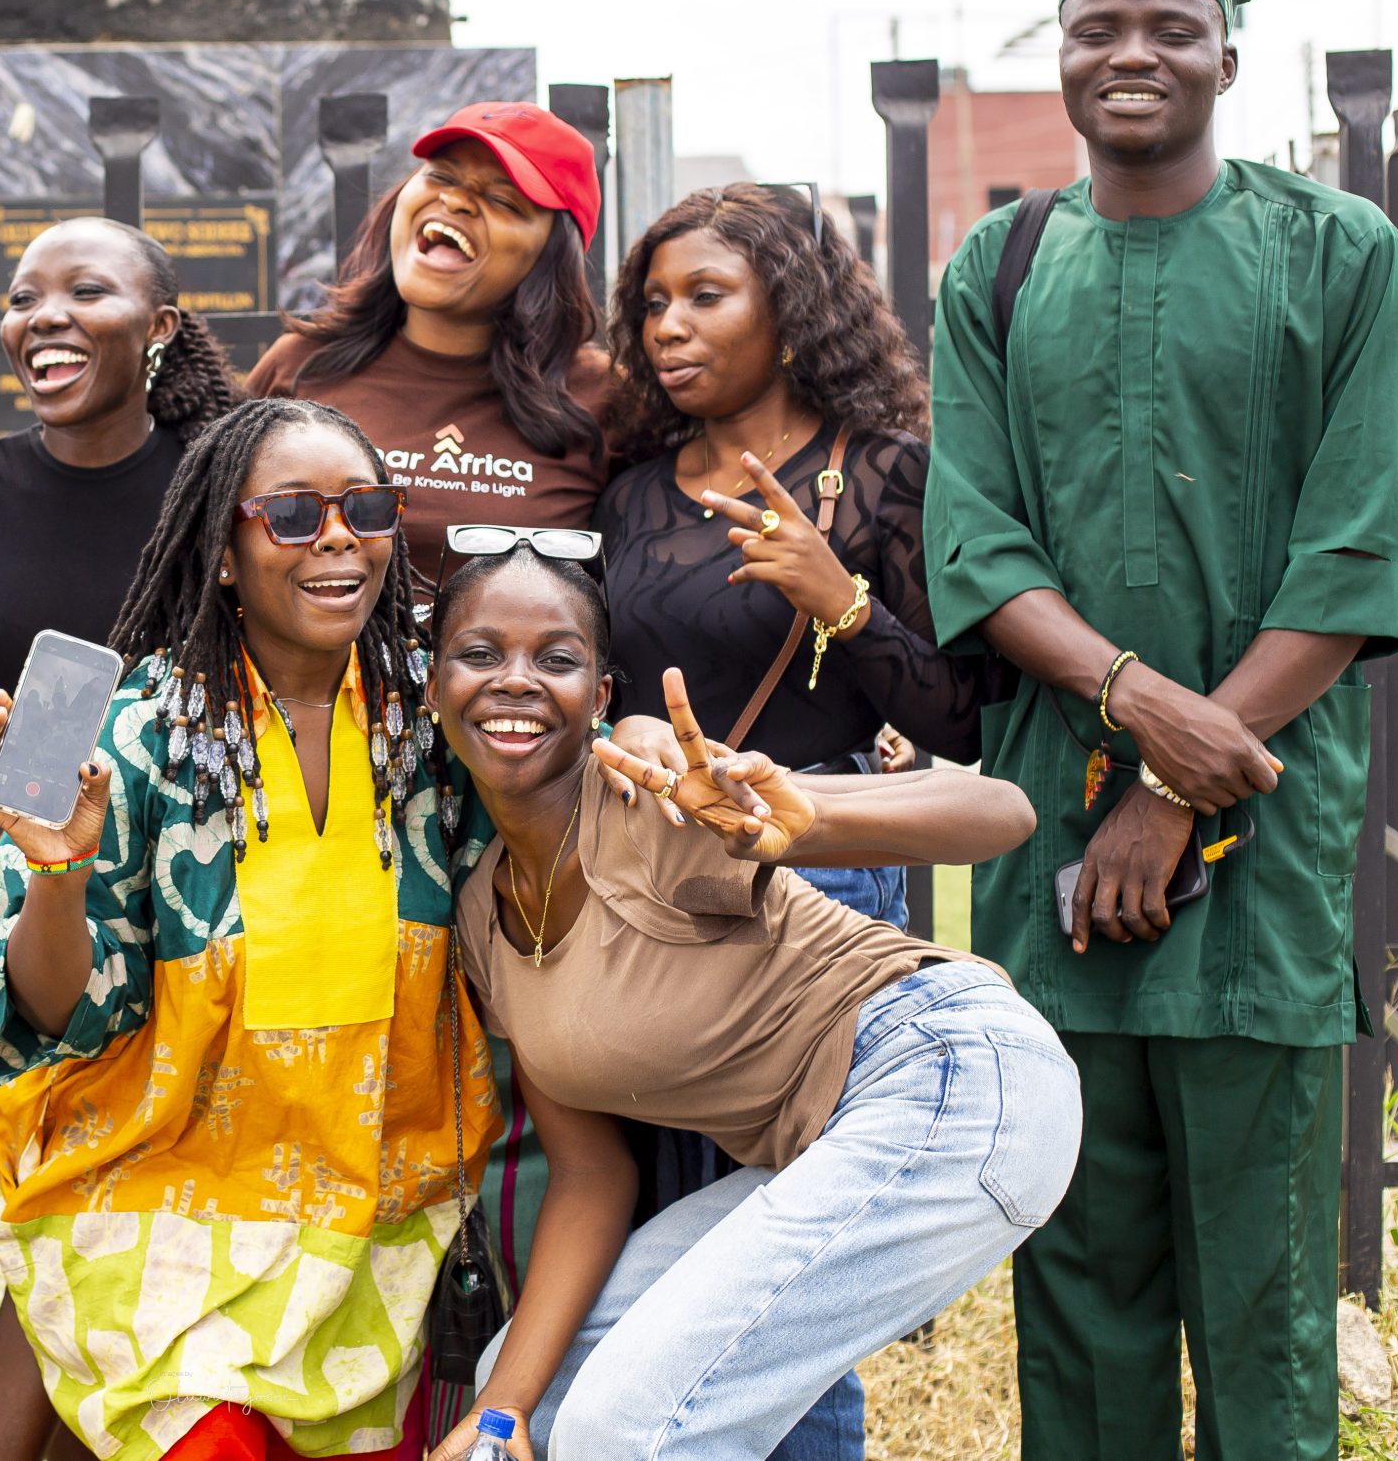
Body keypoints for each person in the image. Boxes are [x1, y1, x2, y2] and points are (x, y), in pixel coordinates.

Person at [925, 0, 1398, 1460]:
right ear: (1063, 56)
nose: (1131, 53)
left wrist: (1168, 784)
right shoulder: (1000, 265)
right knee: (1080, 1281)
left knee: (1265, 1297)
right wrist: (1137, 706)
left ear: (1228, 55)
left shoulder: (1337, 252)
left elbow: (1354, 558)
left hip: (1262, 839)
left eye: (1170, 27)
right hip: (1052, 844)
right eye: (1098, 27)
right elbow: (976, 544)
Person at [418, 539, 1077, 1459]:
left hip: (950, 1076)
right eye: (480, 653)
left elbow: (1003, 813)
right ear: (433, 685)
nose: (516, 679)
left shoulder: (652, 804)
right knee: (534, 1390)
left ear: (600, 696)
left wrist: (806, 815)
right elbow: (591, 1173)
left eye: (555, 658)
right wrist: (502, 1413)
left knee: (625, 1429)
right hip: (818, 1145)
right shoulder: (484, 922)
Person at [0, 397, 500, 1460]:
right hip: (161, 1225)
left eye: (366, 508)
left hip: (377, 1236)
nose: (338, 537)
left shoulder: (436, 730)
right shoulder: (121, 735)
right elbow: (55, 1017)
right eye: (292, 514)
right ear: (219, 552)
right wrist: (57, 870)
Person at [0, 215, 242, 1460]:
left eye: (84, 291)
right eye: (22, 297)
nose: (42, 316)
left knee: (146, 1217)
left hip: (187, 901)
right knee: (42, 1215)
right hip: (21, 902)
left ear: (158, 328)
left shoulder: (217, 481)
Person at [598, 181, 986, 925]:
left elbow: (962, 722)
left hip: (816, 868)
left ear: (790, 312)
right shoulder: (629, 496)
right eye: (653, 303)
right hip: (646, 859)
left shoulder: (884, 474)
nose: (667, 327)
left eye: (705, 296)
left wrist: (844, 605)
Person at [248, 102, 609, 589]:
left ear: (552, 253)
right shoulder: (298, 364)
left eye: (502, 201)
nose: (456, 201)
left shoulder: (605, 396)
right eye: (441, 176)